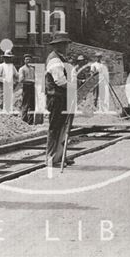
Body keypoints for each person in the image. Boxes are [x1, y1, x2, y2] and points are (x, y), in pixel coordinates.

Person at [45, 32, 74, 168]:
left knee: (64, 127)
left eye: (66, 44)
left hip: (62, 97)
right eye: (64, 44)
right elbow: (60, 81)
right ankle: (51, 158)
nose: (66, 47)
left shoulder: (62, 58)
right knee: (55, 127)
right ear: (57, 46)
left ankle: (60, 155)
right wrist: (74, 86)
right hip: (56, 97)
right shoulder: (55, 60)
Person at [18, 54, 37, 125]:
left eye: (29, 59)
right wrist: (31, 80)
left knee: (32, 105)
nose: (28, 61)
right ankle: (24, 121)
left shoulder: (32, 69)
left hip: (32, 88)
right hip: (26, 87)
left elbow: (35, 78)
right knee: (25, 104)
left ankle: (31, 121)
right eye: (26, 59)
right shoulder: (22, 69)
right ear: (24, 61)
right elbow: (21, 79)